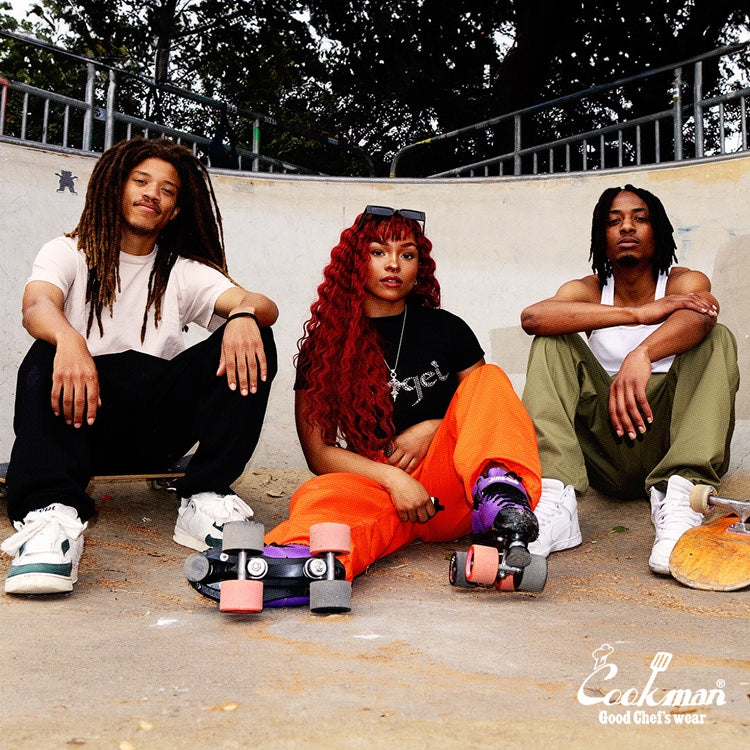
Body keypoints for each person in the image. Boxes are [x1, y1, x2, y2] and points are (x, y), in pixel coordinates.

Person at [1, 136, 278, 596]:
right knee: (47, 348)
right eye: (141, 181)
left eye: (167, 190)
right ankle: (51, 520)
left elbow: (259, 302)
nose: (153, 194)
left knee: (254, 335)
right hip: (76, 425)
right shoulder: (67, 251)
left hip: (154, 432)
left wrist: (245, 315)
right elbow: (36, 306)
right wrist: (69, 338)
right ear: (116, 187)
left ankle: (205, 495)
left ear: (174, 210)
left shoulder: (183, 270)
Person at [261, 205, 542, 595]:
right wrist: (394, 480)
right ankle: (295, 566)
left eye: (407, 255)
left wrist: (435, 428)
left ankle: (502, 499)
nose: (393, 264)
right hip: (380, 485)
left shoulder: (448, 329)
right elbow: (319, 453)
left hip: (454, 489)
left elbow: (484, 406)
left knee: (490, 377)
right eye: (378, 252)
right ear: (354, 262)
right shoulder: (325, 347)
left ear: (418, 268)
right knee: (320, 493)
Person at [519, 184, 739, 575]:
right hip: (606, 449)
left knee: (717, 337)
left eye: (640, 218)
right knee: (551, 339)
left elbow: (703, 314)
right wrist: (638, 315)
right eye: (614, 221)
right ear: (601, 236)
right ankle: (555, 495)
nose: (626, 227)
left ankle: (681, 495)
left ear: (659, 231)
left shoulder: (682, 283)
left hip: (668, 439)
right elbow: (534, 318)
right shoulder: (587, 291)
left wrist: (642, 354)